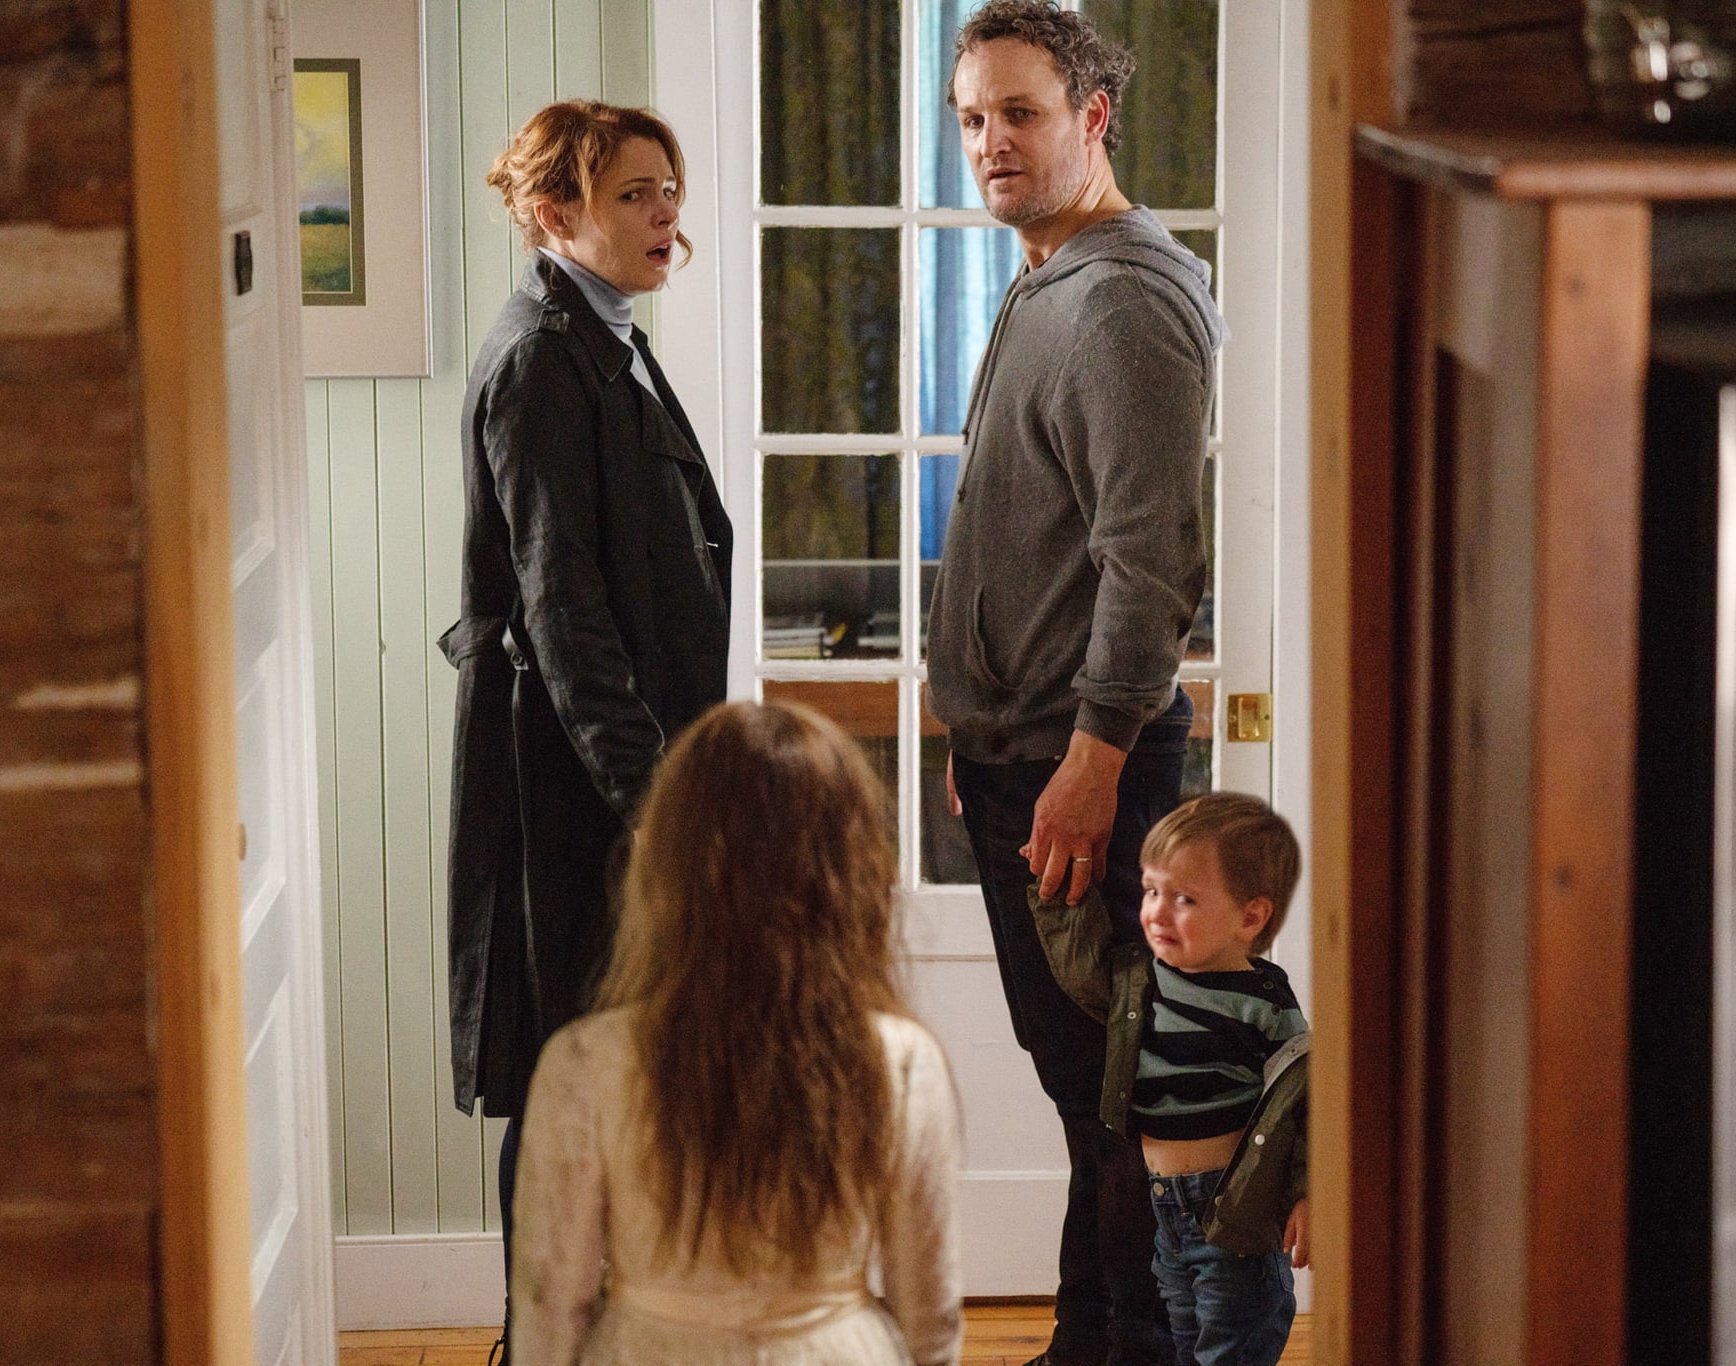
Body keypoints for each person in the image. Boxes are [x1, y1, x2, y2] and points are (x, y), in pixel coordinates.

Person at [925, 3, 1225, 1362]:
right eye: (973, 117)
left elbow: (1148, 568)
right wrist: (969, 722)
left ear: (1092, 118)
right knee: (1084, 1096)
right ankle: (1080, 1347)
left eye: (1019, 113)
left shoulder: (1122, 300)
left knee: (1123, 1104)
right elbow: (1030, 529)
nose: (989, 142)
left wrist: (1091, 762)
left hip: (1080, 768)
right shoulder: (1046, 271)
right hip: (1023, 755)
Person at [436, 99, 731, 1338]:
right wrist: (657, 802)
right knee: (565, 1080)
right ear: (554, 213)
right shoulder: (538, 360)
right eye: (634, 195)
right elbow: (563, 617)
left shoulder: (603, 330)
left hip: (614, 781)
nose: (667, 214)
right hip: (574, 795)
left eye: (669, 189)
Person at [507, 700, 964, 1366]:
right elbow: (932, 1312)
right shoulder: (900, 1061)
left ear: (669, 863)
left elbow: (553, 1304)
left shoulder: (584, 1063)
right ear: (851, 871)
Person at [1031, 794, 1309, 1366]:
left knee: (1233, 1343)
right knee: (1183, 1342)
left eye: (1183, 899)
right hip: (1163, 1209)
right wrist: (1057, 898)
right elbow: (1082, 971)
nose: (1157, 911)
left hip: (1235, 1216)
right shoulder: (1142, 978)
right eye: (1151, 890)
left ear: (1250, 917)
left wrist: (1308, 1193)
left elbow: (1305, 1105)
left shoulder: (1263, 1000)